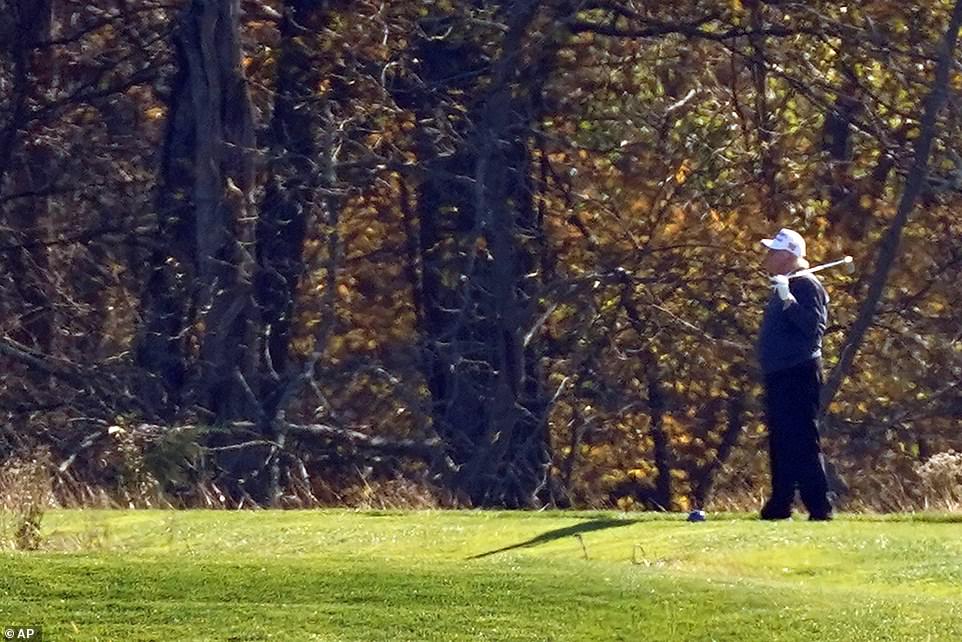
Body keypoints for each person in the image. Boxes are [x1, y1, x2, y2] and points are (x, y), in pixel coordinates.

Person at [757, 228, 834, 521]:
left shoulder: (806, 285)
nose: (767, 257)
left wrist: (788, 298)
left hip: (799, 371)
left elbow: (812, 329)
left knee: (802, 438)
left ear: (788, 256)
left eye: (773, 252)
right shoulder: (785, 283)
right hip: (780, 372)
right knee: (781, 439)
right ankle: (780, 504)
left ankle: (820, 506)